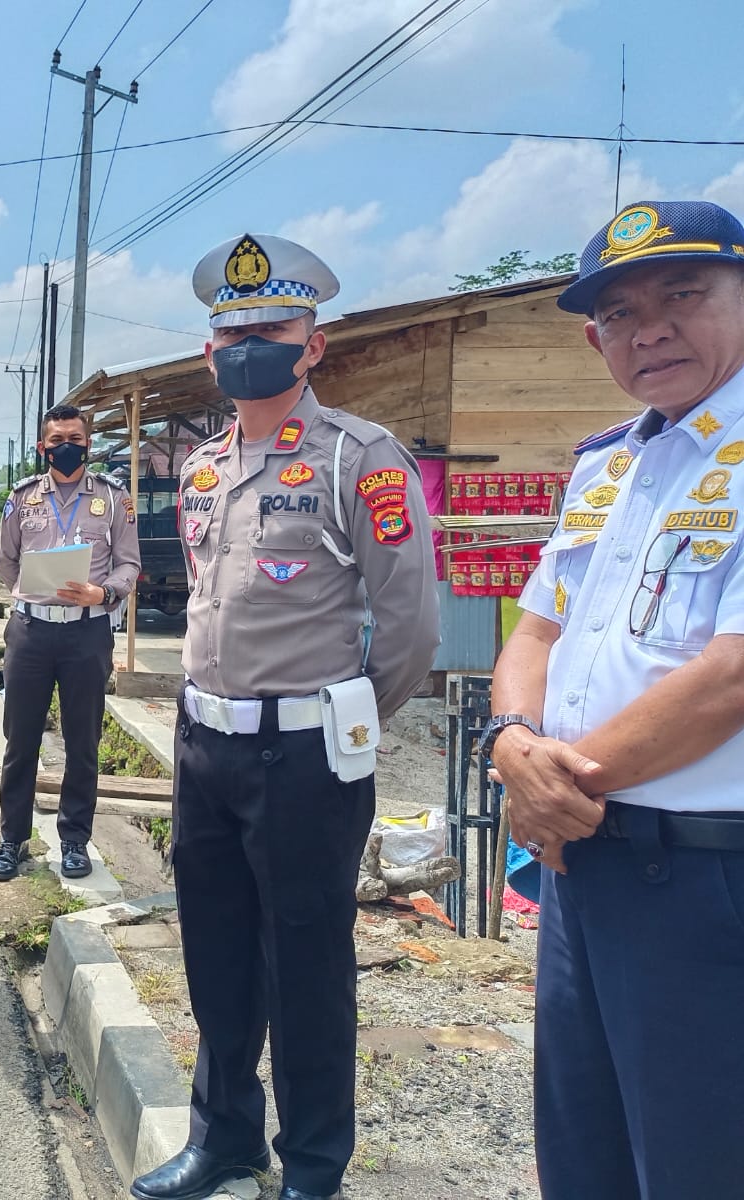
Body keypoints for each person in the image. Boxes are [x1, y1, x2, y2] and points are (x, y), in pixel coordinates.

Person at [130, 233, 439, 1200]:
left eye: (271, 327)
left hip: (305, 754)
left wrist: (337, 718)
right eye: (232, 331)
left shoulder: (362, 456)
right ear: (207, 351)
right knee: (214, 951)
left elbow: (406, 624)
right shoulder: (201, 467)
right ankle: (224, 1138)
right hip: (204, 742)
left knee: (306, 963)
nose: (249, 344)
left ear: (312, 342)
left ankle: (312, 1165)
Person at [489, 199, 744, 1198]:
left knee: (695, 1165)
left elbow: (731, 674)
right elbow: (536, 633)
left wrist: (559, 788)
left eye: (684, 294)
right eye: (621, 313)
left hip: (701, 879)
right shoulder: (610, 463)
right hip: (583, 863)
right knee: (585, 1153)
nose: (651, 329)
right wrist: (513, 741)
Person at [0, 404, 140, 882]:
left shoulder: (115, 499)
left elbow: (129, 565)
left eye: (75, 438)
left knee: (82, 740)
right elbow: (5, 561)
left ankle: (75, 840)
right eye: (57, 440)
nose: (66, 447)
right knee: (20, 740)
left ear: (88, 443)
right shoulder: (23, 497)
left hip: (86, 631)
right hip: (31, 631)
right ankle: (12, 839)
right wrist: (32, 596)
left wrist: (104, 593)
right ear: (43, 447)